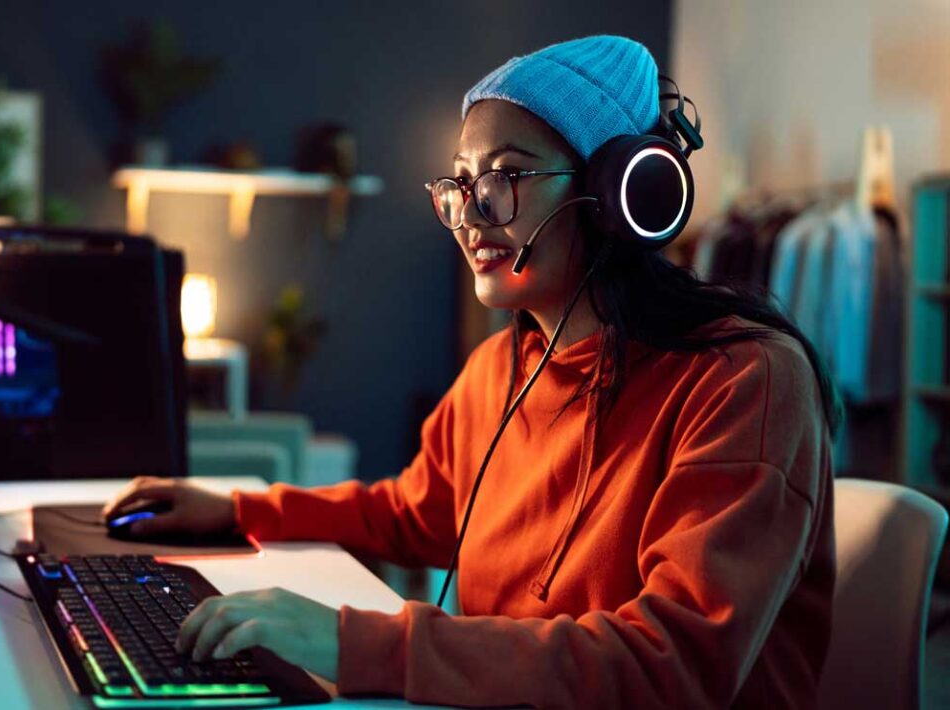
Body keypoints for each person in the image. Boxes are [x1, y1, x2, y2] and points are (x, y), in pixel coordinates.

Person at [103, 35, 840, 708]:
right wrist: (239, 511)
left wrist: (350, 642)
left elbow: (671, 664)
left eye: (507, 177)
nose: (471, 215)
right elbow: (413, 513)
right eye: (459, 185)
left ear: (621, 195)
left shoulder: (743, 381)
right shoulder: (499, 370)